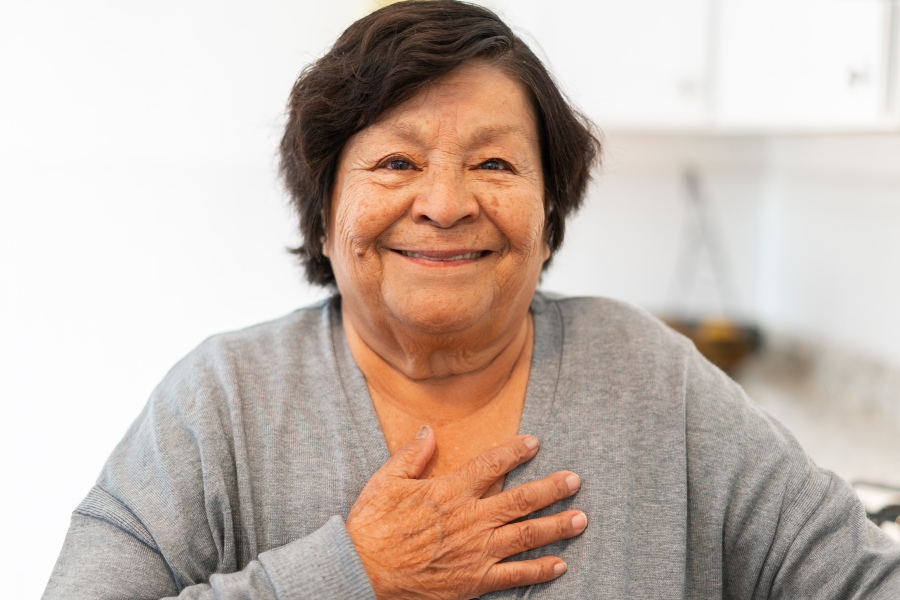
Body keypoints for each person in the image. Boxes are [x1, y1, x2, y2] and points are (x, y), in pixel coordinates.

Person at [43, 1, 900, 599]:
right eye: (396, 163)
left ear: (549, 214)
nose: (447, 203)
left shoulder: (652, 378)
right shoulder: (218, 403)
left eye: (493, 163)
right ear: (325, 210)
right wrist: (354, 573)